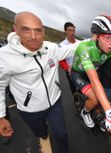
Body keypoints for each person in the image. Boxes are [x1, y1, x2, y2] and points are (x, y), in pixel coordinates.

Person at [0, 11, 79, 153]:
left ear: (43, 31)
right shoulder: (4, 56)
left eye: (38, 30)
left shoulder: (51, 48)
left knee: (61, 134)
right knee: (40, 131)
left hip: (55, 103)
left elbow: (73, 48)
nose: (33, 36)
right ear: (15, 29)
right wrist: (1, 116)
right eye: (26, 29)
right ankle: (42, 133)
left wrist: (98, 39)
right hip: (30, 110)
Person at [59, 22, 80, 95]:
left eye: (73, 31)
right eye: (70, 30)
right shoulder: (61, 45)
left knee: (83, 87)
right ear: (65, 31)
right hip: (70, 70)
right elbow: (61, 60)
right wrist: (67, 68)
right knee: (73, 87)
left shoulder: (79, 43)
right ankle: (76, 102)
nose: (72, 33)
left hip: (81, 68)